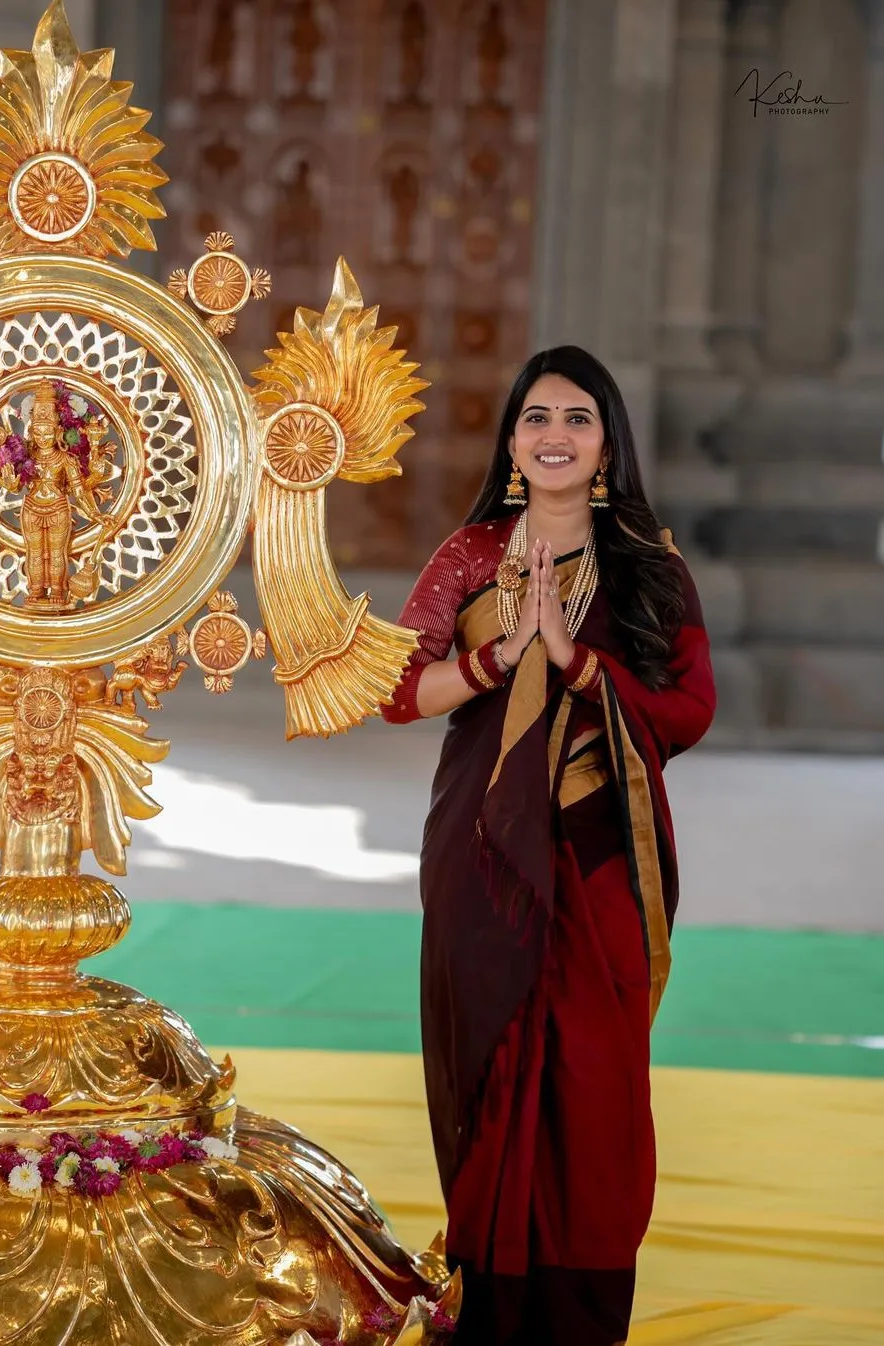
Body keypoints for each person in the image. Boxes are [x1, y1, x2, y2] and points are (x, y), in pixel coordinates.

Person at [381, 345, 716, 1345]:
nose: (554, 436)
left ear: (607, 439)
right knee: (491, 1072)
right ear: (513, 441)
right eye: (536, 418)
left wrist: (575, 662)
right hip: (483, 853)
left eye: (576, 417)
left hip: (598, 852)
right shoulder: (472, 553)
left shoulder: (648, 563)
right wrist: (500, 655)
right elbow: (399, 689)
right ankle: (488, 1306)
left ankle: (578, 1317)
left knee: (596, 1088)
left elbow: (689, 707)